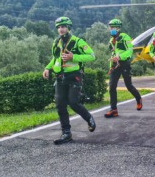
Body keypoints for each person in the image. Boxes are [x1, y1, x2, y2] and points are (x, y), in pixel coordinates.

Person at [42, 16, 96, 145]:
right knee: (60, 105)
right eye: (59, 27)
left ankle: (89, 118)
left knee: (73, 103)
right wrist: (47, 68)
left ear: (69, 28)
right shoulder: (56, 42)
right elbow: (55, 59)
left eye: (64, 27)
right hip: (60, 77)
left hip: (74, 76)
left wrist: (74, 57)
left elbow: (92, 56)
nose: (61, 29)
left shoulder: (78, 41)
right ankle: (66, 133)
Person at [104, 18, 142, 118]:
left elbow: (130, 51)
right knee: (112, 87)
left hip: (124, 64)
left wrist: (120, 57)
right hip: (115, 65)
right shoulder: (111, 40)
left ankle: (138, 99)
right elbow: (113, 52)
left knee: (128, 85)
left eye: (113, 27)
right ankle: (114, 110)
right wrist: (112, 64)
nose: (111, 29)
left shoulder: (125, 37)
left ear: (118, 28)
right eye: (110, 27)